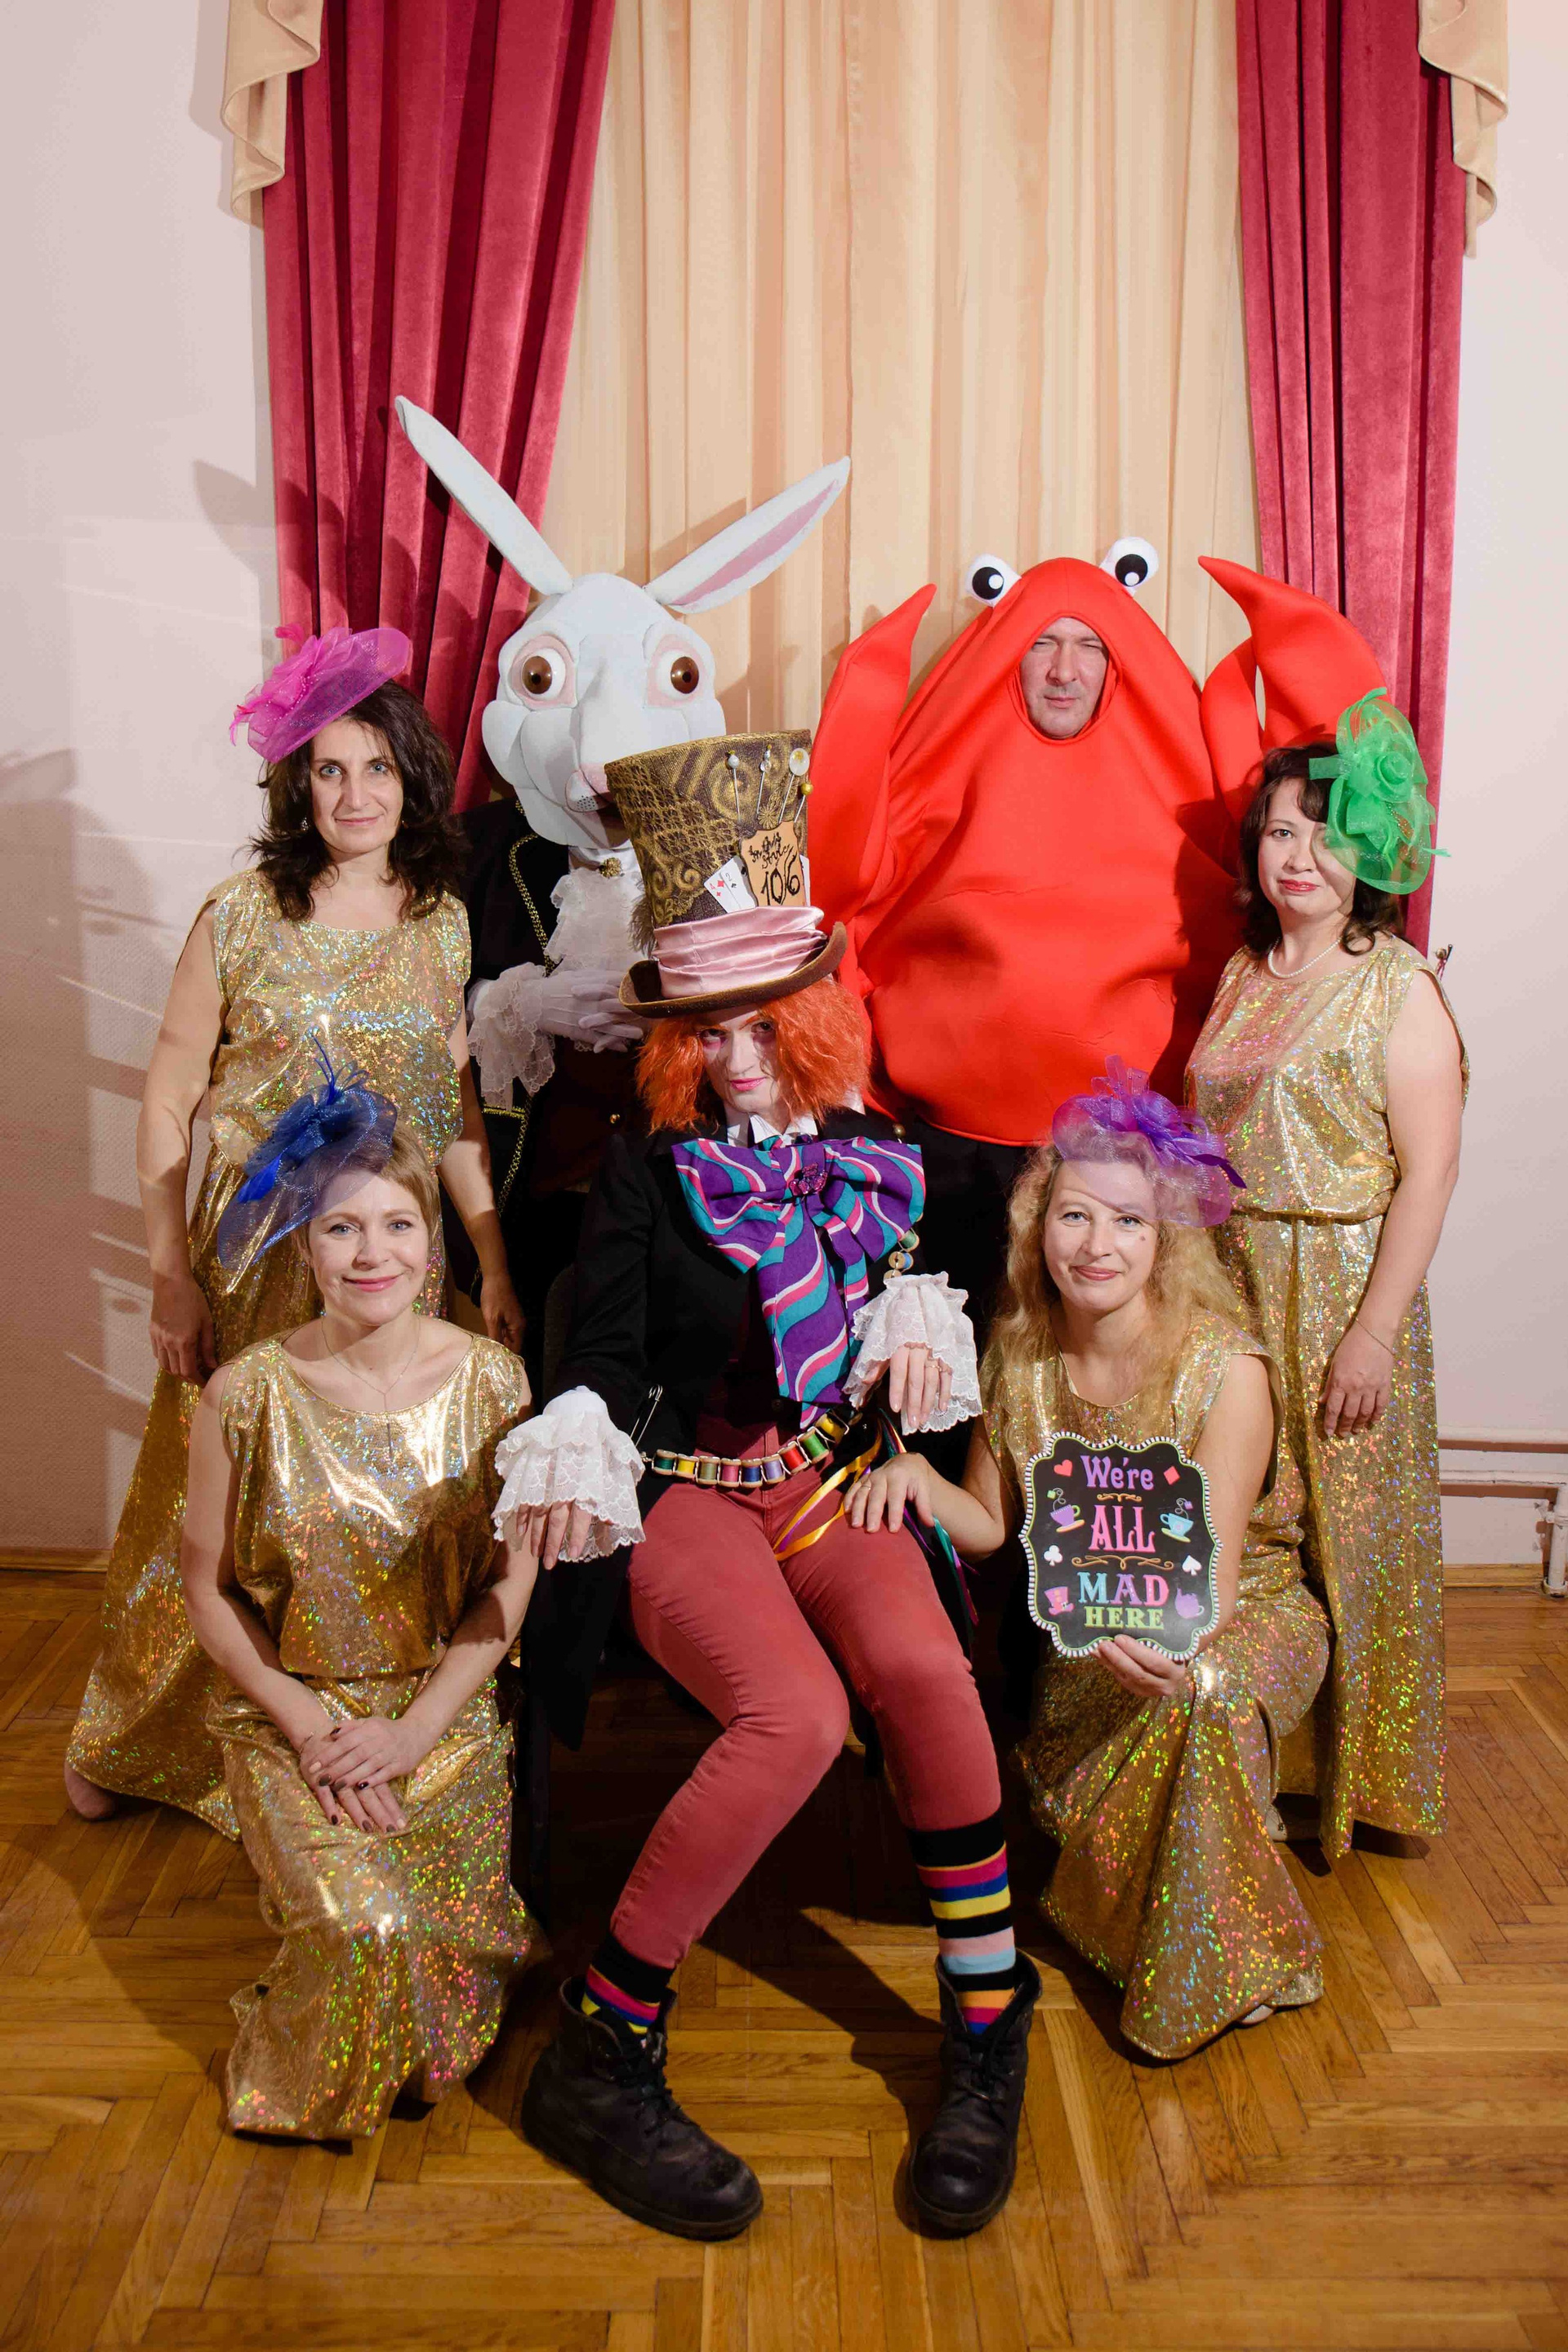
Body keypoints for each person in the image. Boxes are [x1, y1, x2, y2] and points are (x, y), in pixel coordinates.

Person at [492, 730, 1039, 2243]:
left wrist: (909, 1375)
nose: (737, 1058)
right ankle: (602, 2046)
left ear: (810, 1014)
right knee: (792, 1715)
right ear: (675, 1040)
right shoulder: (645, 1167)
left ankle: (988, 2015)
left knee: (926, 1671)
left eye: (762, 1024)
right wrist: (571, 1445)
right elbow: (599, 1354)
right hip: (685, 1486)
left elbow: (928, 1296)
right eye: (708, 1031)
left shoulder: (876, 1152)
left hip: (830, 1480)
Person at [65, 627, 523, 1832]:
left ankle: (350, 1729)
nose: (355, 794)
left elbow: (455, 1108)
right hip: (255, 1265)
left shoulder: (441, 923)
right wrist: (169, 1276)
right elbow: (167, 1096)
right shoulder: (240, 915)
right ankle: (139, 1737)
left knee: (362, 1507)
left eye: (378, 768)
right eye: (329, 770)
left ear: (412, 781)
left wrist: (490, 1258)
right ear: (297, 786)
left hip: (389, 1262)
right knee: (210, 1508)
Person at [849, 1064, 1330, 2059]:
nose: (1097, 1246)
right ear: (1038, 1229)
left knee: (1199, 1699)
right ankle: (1166, 1917)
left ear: (1165, 1243)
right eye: (1074, 1217)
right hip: (1088, 1645)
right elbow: (991, 1523)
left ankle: (1208, 1975)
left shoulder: (1224, 1369)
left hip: (1239, 1616)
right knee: (1167, 1717)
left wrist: (1167, 1643)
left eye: (1128, 1222)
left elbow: (1215, 1583)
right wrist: (914, 1476)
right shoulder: (1019, 1359)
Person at [179, 1093, 539, 2139]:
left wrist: (415, 1732)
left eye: (397, 1224)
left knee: (434, 2019)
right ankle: (288, 2070)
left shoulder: (495, 1382)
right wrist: (308, 1728)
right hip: (293, 1714)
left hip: (441, 1710)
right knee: (365, 1931)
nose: (372, 1253)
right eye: (341, 1227)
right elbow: (206, 1589)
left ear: (433, 1240)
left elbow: (509, 1583)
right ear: (304, 1243)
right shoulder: (244, 1394)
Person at [807, 552, 1247, 1330]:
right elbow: (853, 892)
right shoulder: (940, 766)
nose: (1064, 671)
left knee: (1104, 1367)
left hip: (1118, 1161)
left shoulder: (1184, 790)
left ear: (1120, 662)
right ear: (1008, 654)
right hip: (954, 1156)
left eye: (1090, 646)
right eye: (1043, 643)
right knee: (950, 1361)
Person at [1187, 690, 1465, 1860]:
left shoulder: (1399, 986)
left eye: (1329, 832)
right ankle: (1259, 1762)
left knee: (1355, 1538)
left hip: (1344, 1284)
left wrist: (1372, 1333)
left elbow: (1430, 1173)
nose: (1300, 855)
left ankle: (1372, 1787)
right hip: (1235, 1280)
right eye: (1282, 831)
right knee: (1250, 1525)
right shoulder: (1243, 974)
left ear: (1375, 854)